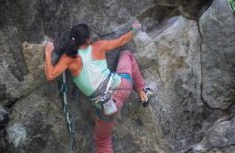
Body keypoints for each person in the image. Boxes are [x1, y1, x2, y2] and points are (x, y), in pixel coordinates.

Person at [43, 21, 155, 153]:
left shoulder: (69, 59)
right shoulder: (98, 46)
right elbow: (121, 41)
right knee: (126, 54)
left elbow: (50, 75)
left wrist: (47, 52)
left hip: (107, 105)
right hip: (123, 86)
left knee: (102, 143)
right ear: (88, 39)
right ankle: (142, 93)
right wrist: (135, 30)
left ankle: (142, 94)